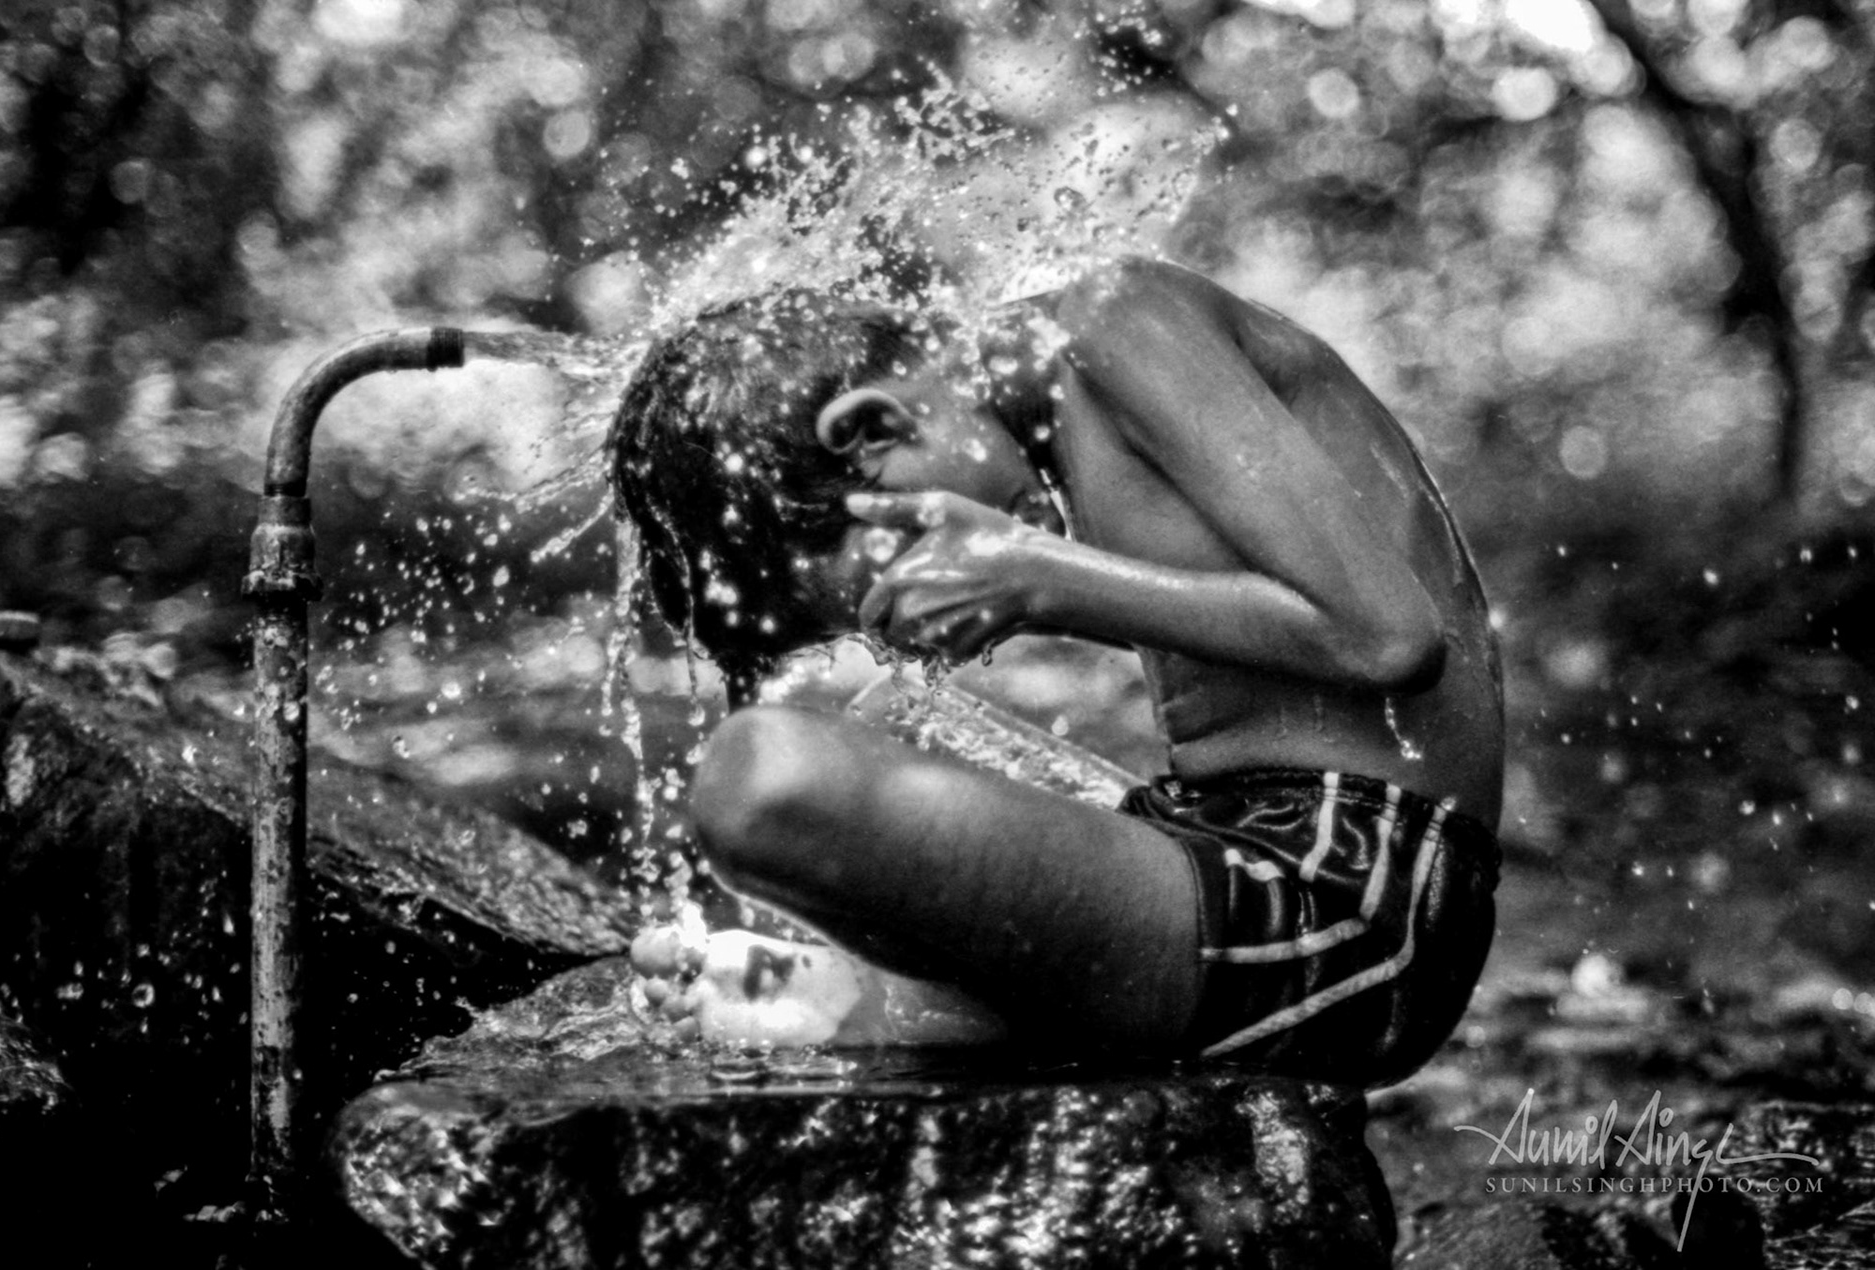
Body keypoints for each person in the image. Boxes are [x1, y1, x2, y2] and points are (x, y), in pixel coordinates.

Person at [608, 257, 1502, 1085]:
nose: (919, 630)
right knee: (865, 722)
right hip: (1222, 846)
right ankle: (899, 1002)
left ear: (875, 428)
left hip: (1351, 902)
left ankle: (906, 1006)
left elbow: (1388, 638)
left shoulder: (1124, 320)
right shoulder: (1056, 408)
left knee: (756, 776)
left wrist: (1037, 577)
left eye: (901, 570)